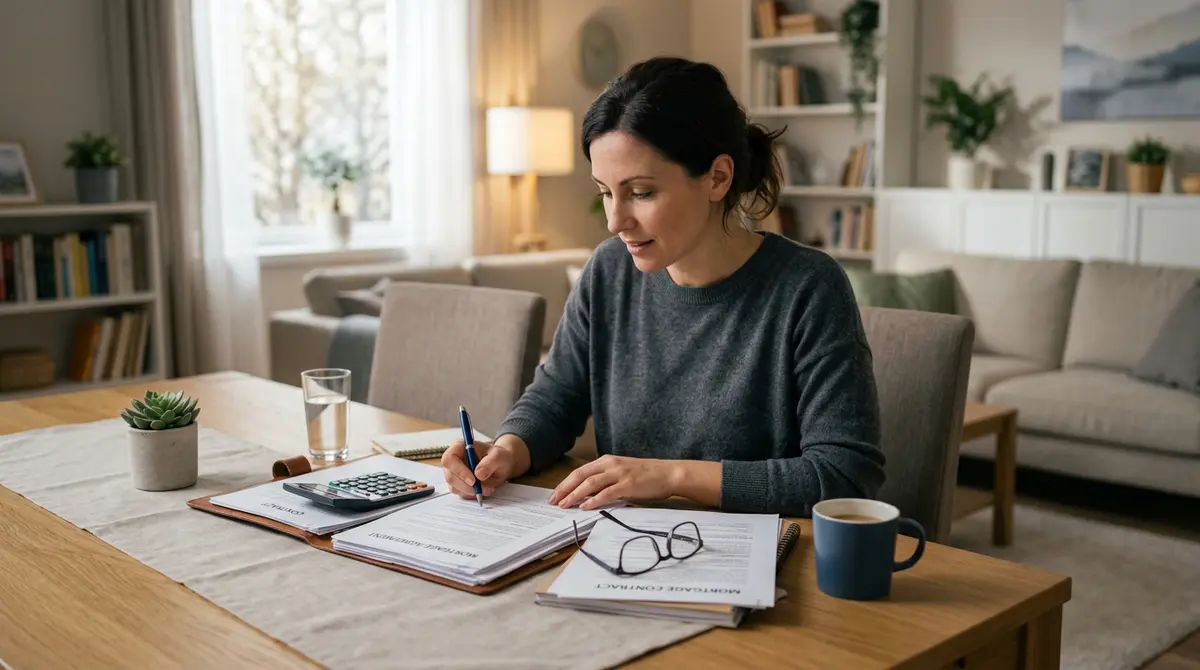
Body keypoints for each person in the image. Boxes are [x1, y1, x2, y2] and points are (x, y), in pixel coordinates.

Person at [441, 56, 884, 517]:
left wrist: (670, 476)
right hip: (626, 545)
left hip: (759, 561)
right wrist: (507, 451)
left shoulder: (808, 288)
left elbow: (844, 476)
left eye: (641, 192)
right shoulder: (609, 270)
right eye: (606, 192)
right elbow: (555, 402)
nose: (615, 221)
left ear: (717, 177)